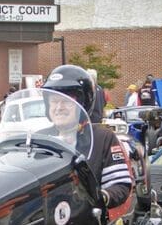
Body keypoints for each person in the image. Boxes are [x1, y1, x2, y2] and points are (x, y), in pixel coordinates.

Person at [42, 64, 132, 209]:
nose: (59, 107)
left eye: (66, 101)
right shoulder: (40, 138)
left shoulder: (102, 137)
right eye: (53, 101)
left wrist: (98, 197)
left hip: (86, 217)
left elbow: (120, 185)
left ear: (83, 103)